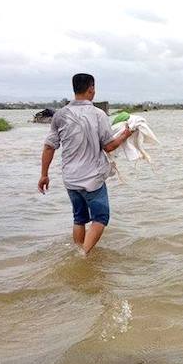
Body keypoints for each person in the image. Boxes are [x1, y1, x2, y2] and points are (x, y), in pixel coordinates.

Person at [38, 73, 132, 256]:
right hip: (92, 179)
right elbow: (109, 145)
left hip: (70, 179)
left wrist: (44, 174)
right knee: (100, 218)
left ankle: (78, 248)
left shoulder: (60, 115)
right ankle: (83, 255)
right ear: (91, 88)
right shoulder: (98, 114)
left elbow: (49, 147)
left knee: (79, 219)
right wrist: (125, 135)